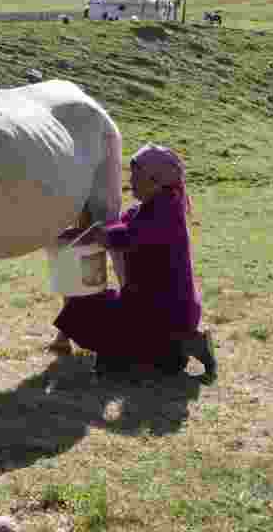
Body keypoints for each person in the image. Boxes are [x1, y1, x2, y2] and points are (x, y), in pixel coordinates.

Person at [47, 144, 217, 384]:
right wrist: (91, 231)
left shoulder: (164, 212)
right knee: (155, 364)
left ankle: (172, 344)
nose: (131, 181)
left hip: (161, 312)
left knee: (82, 310)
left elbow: (126, 237)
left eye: (136, 175)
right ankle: (169, 350)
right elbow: (122, 227)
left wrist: (92, 236)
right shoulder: (152, 207)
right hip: (154, 309)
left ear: (155, 180)